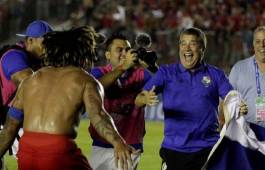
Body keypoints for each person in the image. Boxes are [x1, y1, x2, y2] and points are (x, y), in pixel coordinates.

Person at [0, 26, 134, 170]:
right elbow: (99, 117)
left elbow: (9, 128)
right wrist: (118, 142)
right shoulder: (85, 80)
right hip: (58, 152)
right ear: (83, 53)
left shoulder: (31, 80)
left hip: (26, 151)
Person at [136, 27, 247, 170]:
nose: (187, 48)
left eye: (192, 43)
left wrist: (239, 105)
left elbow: (231, 97)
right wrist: (144, 99)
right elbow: (138, 99)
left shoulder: (216, 74)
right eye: (183, 43)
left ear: (202, 48)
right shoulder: (166, 73)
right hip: (174, 151)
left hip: (207, 149)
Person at [88, 34, 155, 170]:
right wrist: (124, 67)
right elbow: (97, 87)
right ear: (107, 55)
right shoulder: (98, 73)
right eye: (120, 50)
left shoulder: (141, 74)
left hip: (130, 145)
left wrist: (153, 68)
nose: (125, 53)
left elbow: (162, 85)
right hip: (101, 144)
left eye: (128, 49)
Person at [0, 20, 53, 168]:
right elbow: (30, 83)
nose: (50, 47)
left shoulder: (39, 58)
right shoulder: (13, 56)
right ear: (30, 40)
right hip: (7, 119)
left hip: (15, 119)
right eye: (46, 42)